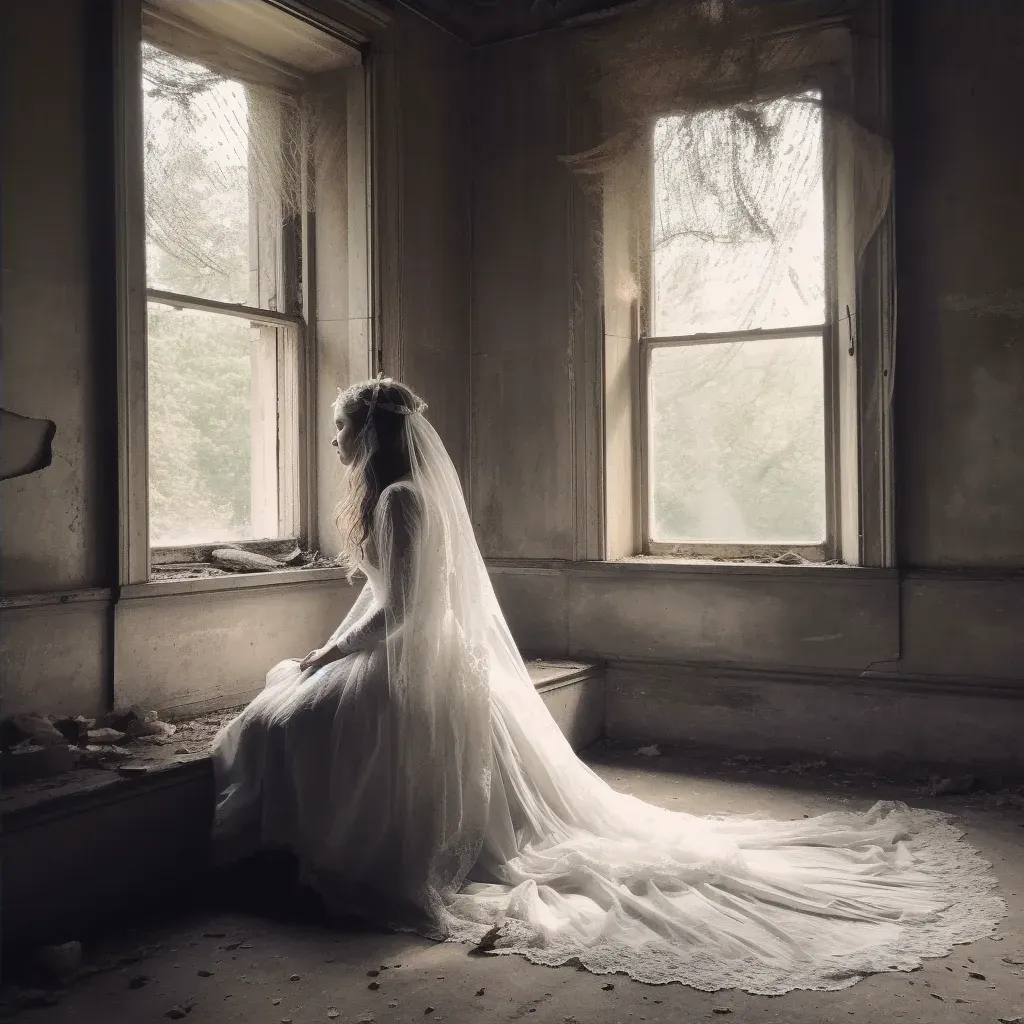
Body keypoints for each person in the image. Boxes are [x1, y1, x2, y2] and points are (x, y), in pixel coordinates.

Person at [212, 376, 1004, 994]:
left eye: (344, 429)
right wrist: (333, 646)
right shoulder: (397, 497)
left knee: (287, 717)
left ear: (373, 435)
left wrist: (335, 654)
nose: (335, 440)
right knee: (285, 705)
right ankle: (291, 850)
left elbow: (403, 612)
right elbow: (384, 601)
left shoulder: (399, 502)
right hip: (407, 645)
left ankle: (302, 855)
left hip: (409, 654)